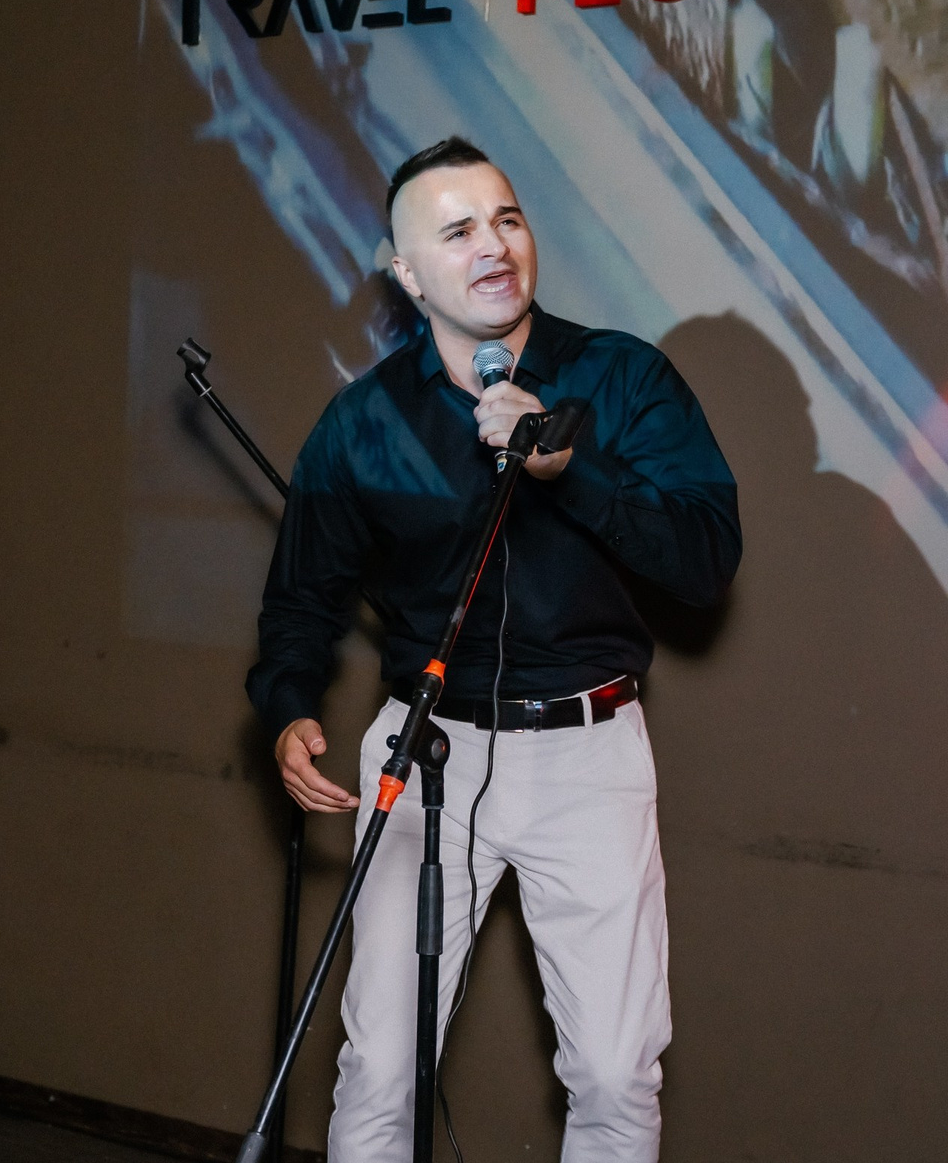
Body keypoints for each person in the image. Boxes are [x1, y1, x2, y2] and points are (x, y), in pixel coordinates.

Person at [247, 138, 739, 1161]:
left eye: (508, 219)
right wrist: (289, 705)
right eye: (459, 229)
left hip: (588, 750)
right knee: (380, 1067)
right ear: (408, 272)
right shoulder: (365, 421)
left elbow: (704, 559)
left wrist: (571, 467)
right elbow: (302, 594)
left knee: (615, 1070)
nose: (494, 245)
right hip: (428, 747)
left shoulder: (623, 376)